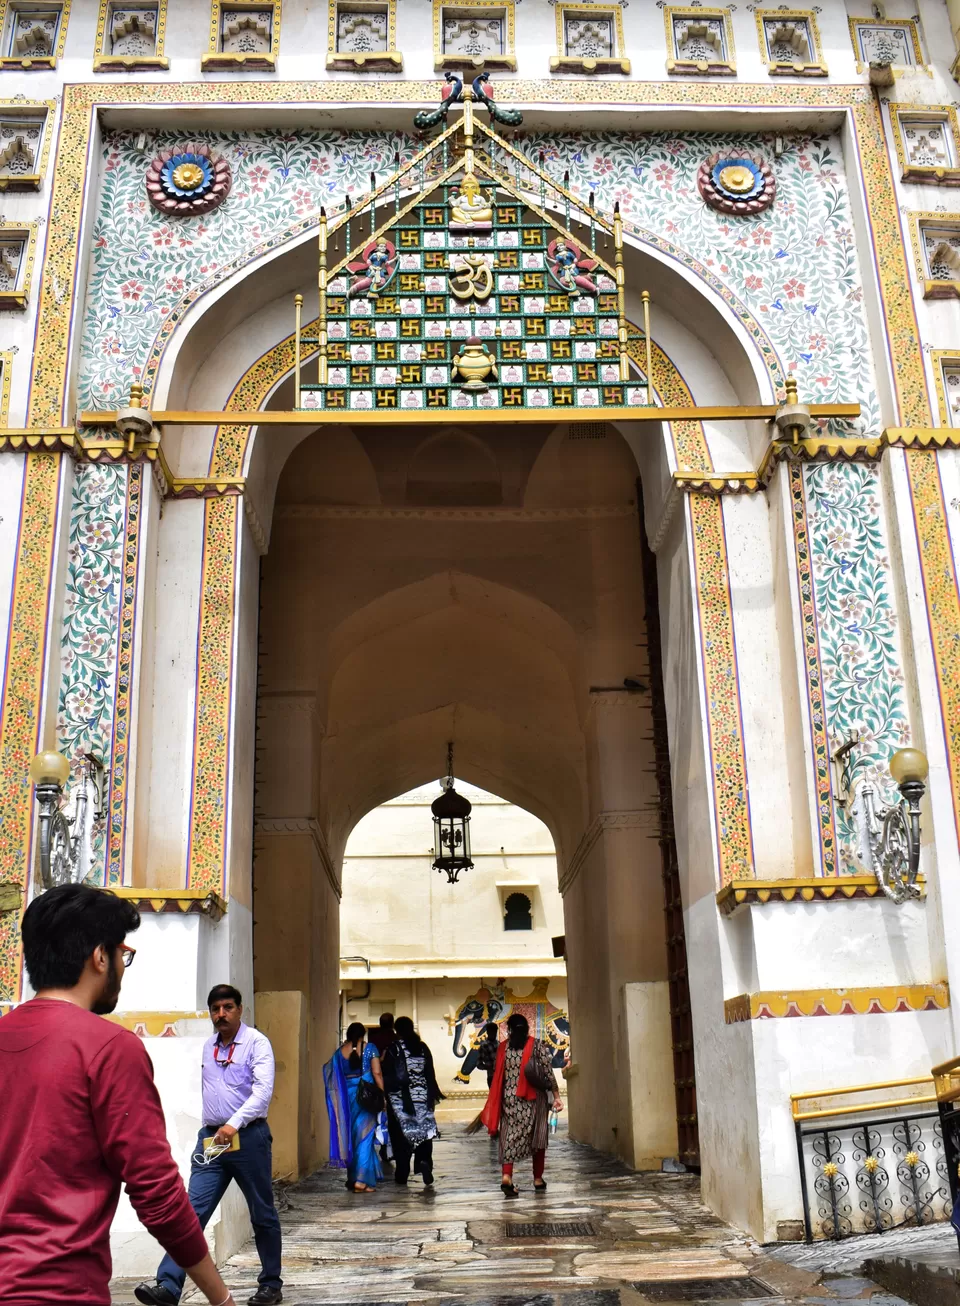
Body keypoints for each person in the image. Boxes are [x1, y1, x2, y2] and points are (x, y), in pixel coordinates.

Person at [0, 884, 234, 1306]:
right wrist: (220, 1297)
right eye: (123, 954)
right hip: (59, 1291)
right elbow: (156, 1193)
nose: (123, 968)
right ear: (99, 956)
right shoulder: (110, 1049)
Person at [136, 985, 283, 1306]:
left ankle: (271, 1284)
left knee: (262, 1213)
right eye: (215, 1009)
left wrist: (234, 1124)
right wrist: (219, 1128)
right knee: (190, 1212)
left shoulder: (257, 1044)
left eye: (228, 1007)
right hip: (212, 1140)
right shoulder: (208, 1048)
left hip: (248, 1137)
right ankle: (168, 1285)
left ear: (240, 1009)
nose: (221, 1014)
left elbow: (262, 1092)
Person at [480, 1012, 561, 1198]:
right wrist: (556, 1096)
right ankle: (538, 1179)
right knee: (538, 1138)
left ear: (509, 1029)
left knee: (508, 1138)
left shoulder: (503, 1048)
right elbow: (548, 1073)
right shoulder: (536, 1045)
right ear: (527, 1028)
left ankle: (507, 1176)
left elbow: (498, 1074)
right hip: (534, 1100)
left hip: (509, 1099)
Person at [382, 1015, 444, 1188]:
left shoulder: (394, 1048)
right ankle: (424, 1161)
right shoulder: (422, 1047)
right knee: (424, 1132)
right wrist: (430, 1096)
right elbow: (430, 1073)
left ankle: (402, 1171)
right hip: (422, 1097)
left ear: (397, 1030)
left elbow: (388, 1073)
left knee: (401, 1134)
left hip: (401, 1100)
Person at [323, 1021, 385, 1192]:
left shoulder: (339, 1053)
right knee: (365, 1139)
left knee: (353, 1138)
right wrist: (382, 1095)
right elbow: (377, 1073)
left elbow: (329, 1072)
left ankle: (353, 1179)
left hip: (347, 1100)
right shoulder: (370, 1048)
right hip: (366, 1099)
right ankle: (361, 1180)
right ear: (362, 1035)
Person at [476, 1021, 500, 1088]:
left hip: (501, 1076)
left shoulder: (500, 1044)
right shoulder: (483, 1046)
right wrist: (489, 1067)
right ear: (487, 1032)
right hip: (491, 1076)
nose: (493, 1033)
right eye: (491, 1032)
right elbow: (478, 1064)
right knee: (494, 1097)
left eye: (494, 1032)